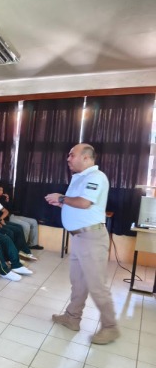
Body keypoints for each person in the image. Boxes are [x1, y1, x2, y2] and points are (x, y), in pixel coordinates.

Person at [46, 143, 119, 345]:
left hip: (91, 238)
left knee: (97, 285)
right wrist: (62, 203)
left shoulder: (96, 177)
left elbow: (84, 202)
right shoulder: (79, 177)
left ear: (86, 158)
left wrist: (61, 197)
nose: (68, 158)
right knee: (78, 281)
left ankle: (110, 327)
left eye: (72, 155)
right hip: (79, 238)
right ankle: (72, 318)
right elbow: (78, 204)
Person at [0, 181, 43, 250]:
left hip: (11, 215)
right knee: (26, 225)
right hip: (7, 218)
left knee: (34, 221)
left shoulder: (2, 198)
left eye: (2, 190)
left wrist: (7, 200)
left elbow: (10, 209)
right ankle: (22, 247)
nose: (1, 192)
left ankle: (33, 244)